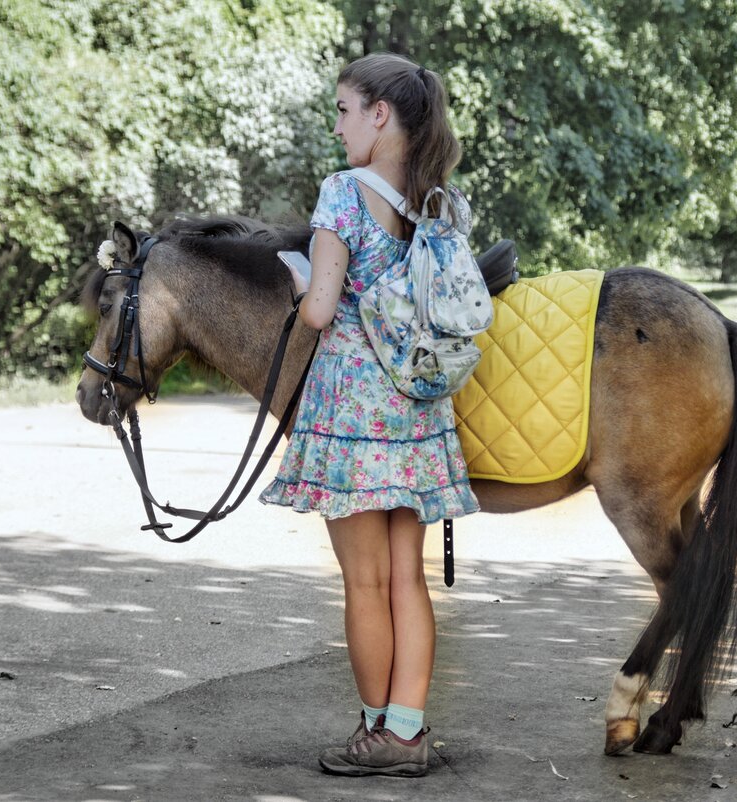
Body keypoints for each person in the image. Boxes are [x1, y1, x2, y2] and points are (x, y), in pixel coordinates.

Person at [258, 52, 478, 778]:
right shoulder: (434, 198)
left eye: (345, 108)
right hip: (415, 407)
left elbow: (321, 309)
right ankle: (409, 729)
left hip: (352, 409)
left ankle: (378, 730)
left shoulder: (343, 193)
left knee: (364, 585)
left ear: (379, 114)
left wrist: (297, 278)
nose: (338, 122)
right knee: (405, 579)